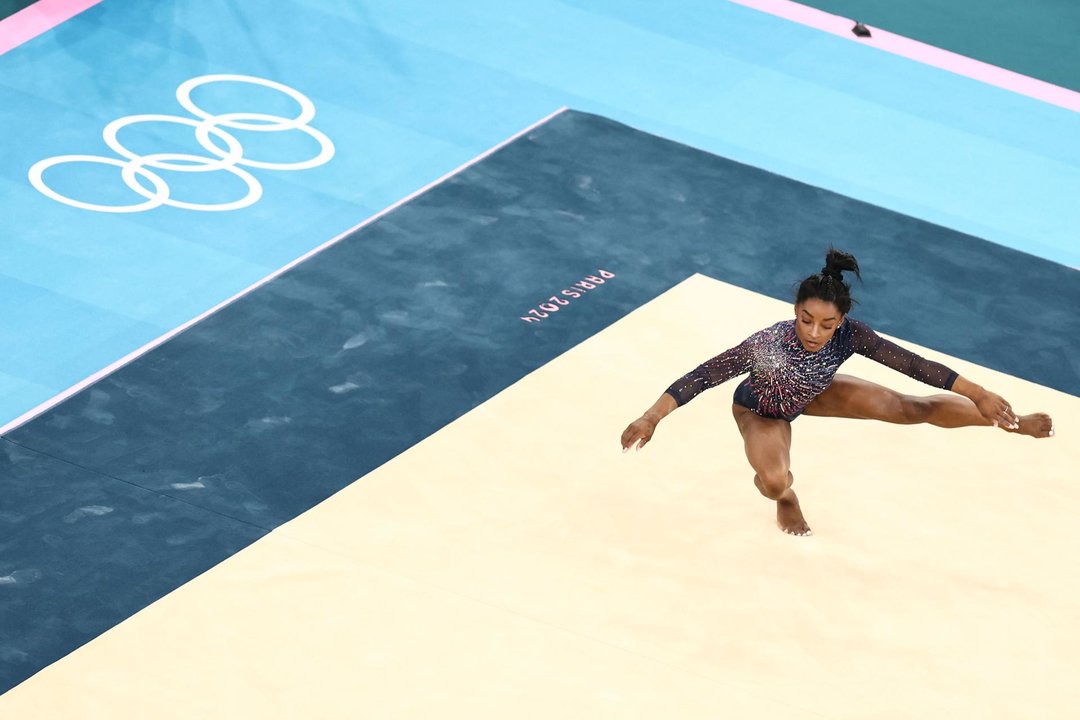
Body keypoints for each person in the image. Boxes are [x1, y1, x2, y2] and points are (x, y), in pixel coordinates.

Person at [619, 249, 1055, 537]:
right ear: (796, 311)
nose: (814, 332)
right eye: (806, 320)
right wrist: (650, 417)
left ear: (842, 320)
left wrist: (979, 392)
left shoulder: (852, 336)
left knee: (909, 407)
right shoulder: (768, 346)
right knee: (773, 481)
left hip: (814, 392)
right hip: (763, 409)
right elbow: (701, 377)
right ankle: (786, 499)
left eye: (826, 325)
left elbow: (916, 366)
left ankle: (1007, 422)